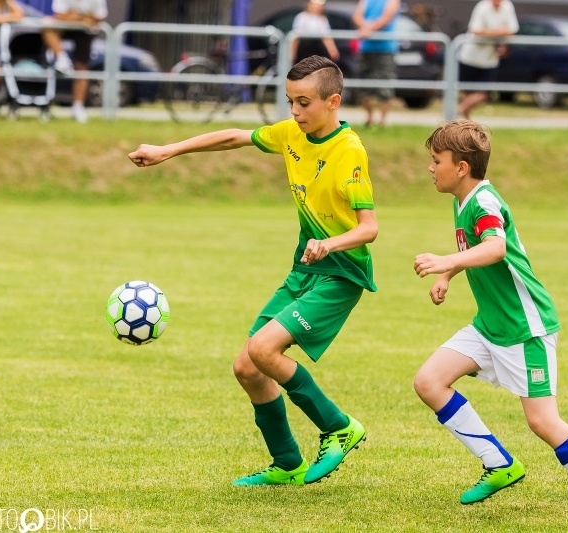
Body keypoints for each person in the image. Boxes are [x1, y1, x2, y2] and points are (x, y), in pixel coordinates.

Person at [128, 56, 377, 488]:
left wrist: (329, 243)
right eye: (290, 101)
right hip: (305, 270)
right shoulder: (291, 134)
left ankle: (339, 427)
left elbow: (369, 228)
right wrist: (169, 150)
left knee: (263, 350)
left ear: (333, 102)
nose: (294, 111)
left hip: (341, 273)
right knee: (247, 366)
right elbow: (233, 136)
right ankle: (288, 463)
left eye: (303, 103)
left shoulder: (349, 150)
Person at [412, 119, 568, 530]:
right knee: (429, 382)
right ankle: (499, 464)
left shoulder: (484, 202)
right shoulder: (462, 200)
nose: (430, 167)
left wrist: (446, 261)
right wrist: (448, 274)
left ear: (461, 167)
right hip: (490, 326)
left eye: (436, 160)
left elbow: (495, 248)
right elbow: (476, 249)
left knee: (542, 421)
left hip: (524, 328)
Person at [42, 0, 108, 123]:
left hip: (86, 31)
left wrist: (74, 16)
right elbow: (59, 16)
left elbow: (99, 18)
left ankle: (78, 107)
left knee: (81, 67)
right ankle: (62, 59)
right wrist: (83, 18)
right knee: (47, 25)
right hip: (67, 27)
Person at [457, 0, 518, 119]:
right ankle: (466, 122)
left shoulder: (508, 6)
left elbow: (512, 31)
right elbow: (476, 31)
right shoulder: (482, 7)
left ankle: (459, 110)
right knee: (468, 92)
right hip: (471, 57)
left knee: (485, 93)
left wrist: (490, 33)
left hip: (489, 60)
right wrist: (500, 33)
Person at [352, 0, 399, 128]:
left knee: (385, 86)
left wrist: (367, 28)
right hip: (366, 48)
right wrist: (367, 27)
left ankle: (382, 122)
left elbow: (387, 18)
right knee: (365, 86)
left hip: (386, 48)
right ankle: (369, 120)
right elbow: (356, 16)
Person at [290, 0, 339, 65]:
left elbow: (326, 36)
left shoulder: (322, 19)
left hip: (317, 48)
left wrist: (332, 50)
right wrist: (292, 53)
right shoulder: (301, 17)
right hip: (304, 48)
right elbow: (296, 37)